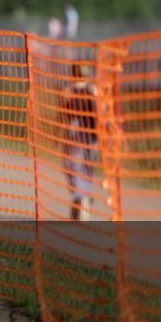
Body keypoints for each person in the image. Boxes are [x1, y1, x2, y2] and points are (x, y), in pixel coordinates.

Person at [62, 63, 99, 221]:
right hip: (90, 138)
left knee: (74, 169)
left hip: (78, 136)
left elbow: (63, 115)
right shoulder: (94, 91)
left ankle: (80, 203)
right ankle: (81, 203)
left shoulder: (70, 91)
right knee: (84, 171)